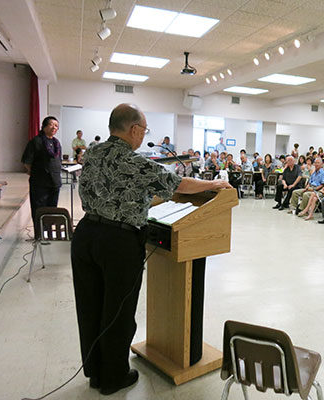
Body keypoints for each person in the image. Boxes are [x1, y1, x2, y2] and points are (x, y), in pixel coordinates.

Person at [71, 104, 231, 395]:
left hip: (85, 236)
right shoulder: (133, 160)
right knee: (117, 311)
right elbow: (177, 182)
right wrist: (215, 182)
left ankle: (95, 371)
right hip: (117, 243)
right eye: (144, 131)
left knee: (90, 306)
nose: (143, 136)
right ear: (133, 129)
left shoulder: (92, 152)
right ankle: (114, 376)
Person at [22, 116, 62, 239]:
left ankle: (49, 233)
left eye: (56, 125)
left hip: (54, 182)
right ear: (44, 126)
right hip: (40, 183)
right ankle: (39, 235)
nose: (54, 127)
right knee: (39, 209)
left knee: (52, 209)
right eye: (51, 124)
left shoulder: (56, 143)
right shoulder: (36, 141)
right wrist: (33, 173)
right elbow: (27, 162)